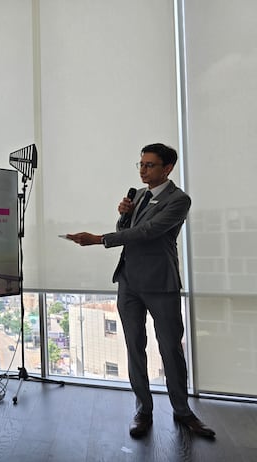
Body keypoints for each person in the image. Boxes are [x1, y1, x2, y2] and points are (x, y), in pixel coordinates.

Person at [66, 143, 215, 439]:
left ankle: (183, 412)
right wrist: (123, 214)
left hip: (160, 282)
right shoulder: (139, 196)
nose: (143, 170)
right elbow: (128, 230)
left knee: (170, 349)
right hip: (129, 282)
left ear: (167, 168)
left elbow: (148, 232)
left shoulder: (179, 200)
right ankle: (143, 410)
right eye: (141, 164)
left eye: (149, 165)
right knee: (134, 348)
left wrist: (99, 239)